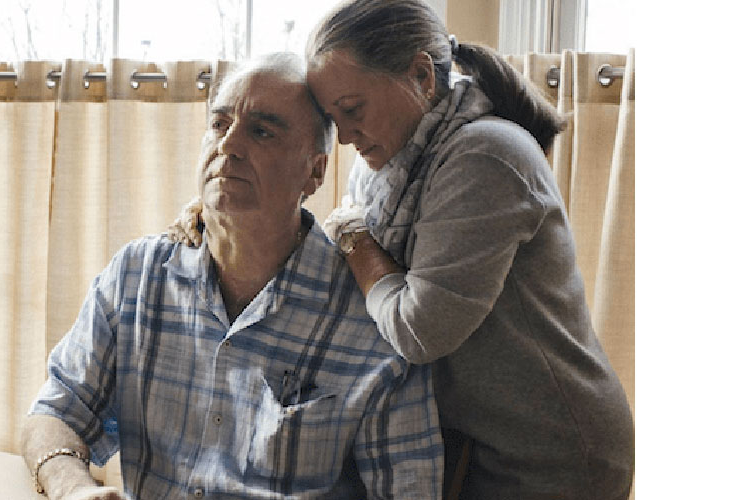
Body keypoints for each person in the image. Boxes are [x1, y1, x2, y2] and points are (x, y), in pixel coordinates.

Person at [168, 1, 633, 499]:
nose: (345, 137)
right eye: (334, 118)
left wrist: (353, 236)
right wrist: (225, 215)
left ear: (421, 76)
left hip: (552, 447)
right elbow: (348, 264)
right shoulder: (388, 163)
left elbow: (416, 328)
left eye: (353, 110)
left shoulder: (486, 155)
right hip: (471, 441)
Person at [22, 53, 443, 500]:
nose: (229, 145)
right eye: (220, 124)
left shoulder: (372, 320)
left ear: (315, 171)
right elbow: (56, 411)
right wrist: (73, 489)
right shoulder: (136, 276)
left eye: (262, 131)